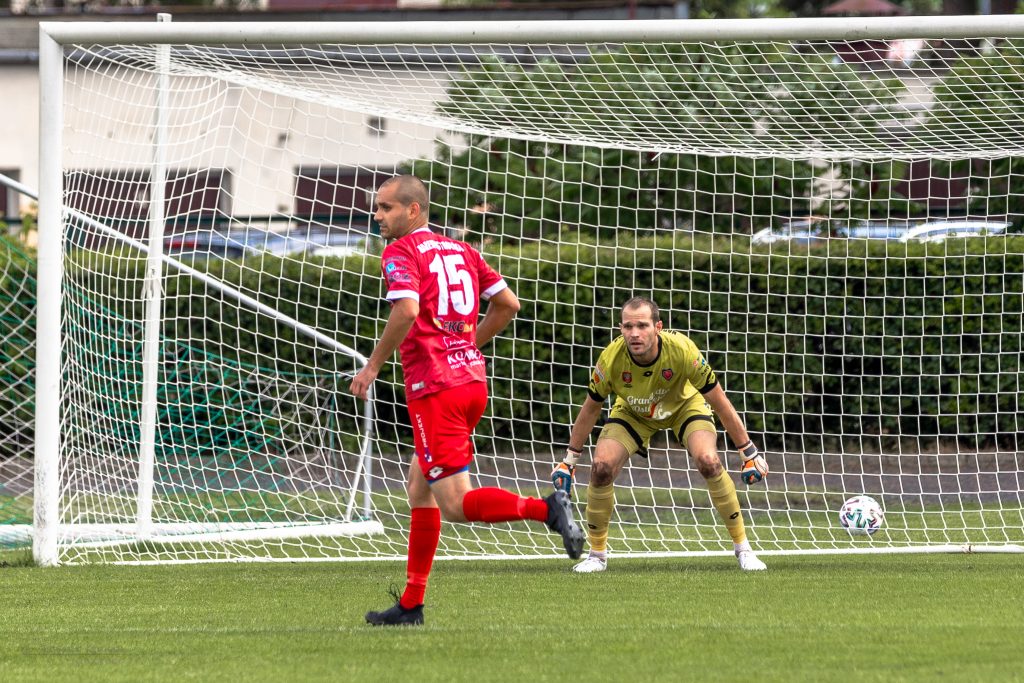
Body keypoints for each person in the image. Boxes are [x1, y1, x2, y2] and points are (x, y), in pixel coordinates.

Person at [350, 174, 584, 626]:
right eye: (376, 207)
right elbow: (509, 304)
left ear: (413, 210)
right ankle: (411, 604)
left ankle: (546, 509)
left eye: (385, 207)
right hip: (470, 382)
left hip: (435, 389)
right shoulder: (462, 250)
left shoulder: (400, 251)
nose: (377, 215)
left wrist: (373, 365)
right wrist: (466, 345)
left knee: (455, 504)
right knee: (420, 489)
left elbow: (407, 310)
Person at [552, 296, 768, 573]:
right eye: (628, 326)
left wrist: (748, 452)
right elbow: (591, 408)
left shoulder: (682, 350)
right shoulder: (610, 359)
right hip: (633, 411)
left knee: (709, 461)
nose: (634, 333)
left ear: (658, 327)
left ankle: (743, 549)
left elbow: (719, 400)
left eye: (642, 325)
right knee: (601, 468)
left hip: (684, 406)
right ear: (620, 329)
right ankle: (596, 556)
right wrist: (569, 461)